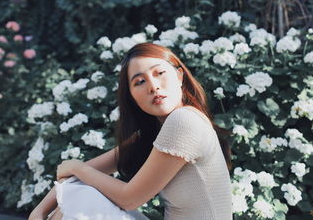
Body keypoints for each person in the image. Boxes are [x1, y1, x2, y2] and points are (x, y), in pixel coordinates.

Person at [29, 43, 232, 220]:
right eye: (139, 82)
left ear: (179, 76)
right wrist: (38, 213)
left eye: (159, 73)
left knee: (82, 196)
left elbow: (129, 199)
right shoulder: (157, 130)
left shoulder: (184, 120)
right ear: (132, 96)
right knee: (79, 191)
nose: (153, 86)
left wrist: (77, 167)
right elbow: (74, 179)